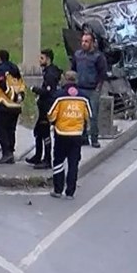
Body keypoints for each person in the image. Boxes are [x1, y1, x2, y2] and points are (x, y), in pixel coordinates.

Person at [48, 71, 91, 200]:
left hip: (61, 133)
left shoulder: (59, 96)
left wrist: (54, 123)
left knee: (58, 162)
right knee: (73, 163)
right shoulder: (83, 97)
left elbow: (51, 114)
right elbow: (89, 115)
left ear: (65, 80)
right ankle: (70, 192)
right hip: (77, 135)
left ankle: (58, 189)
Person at [69, 32, 108, 148]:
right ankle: (83, 137)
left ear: (92, 43)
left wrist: (98, 88)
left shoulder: (98, 57)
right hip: (80, 88)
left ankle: (94, 138)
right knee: (81, 115)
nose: (84, 44)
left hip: (92, 90)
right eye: (82, 41)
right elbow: (73, 70)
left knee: (93, 115)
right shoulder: (78, 55)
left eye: (86, 41)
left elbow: (102, 74)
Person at [25, 49, 62, 169]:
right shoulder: (48, 72)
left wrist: (35, 89)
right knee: (38, 131)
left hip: (47, 107)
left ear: (48, 59)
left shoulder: (50, 74)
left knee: (45, 132)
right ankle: (38, 156)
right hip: (44, 106)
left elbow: (48, 91)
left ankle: (47, 159)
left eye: (42, 58)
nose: (40, 61)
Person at [0, 49, 24, 164]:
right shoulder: (15, 68)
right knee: (10, 129)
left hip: (4, 104)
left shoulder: (0, 70)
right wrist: (20, 97)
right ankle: (10, 152)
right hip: (15, 106)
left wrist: (12, 96)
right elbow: (20, 83)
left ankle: (7, 152)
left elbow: (3, 86)